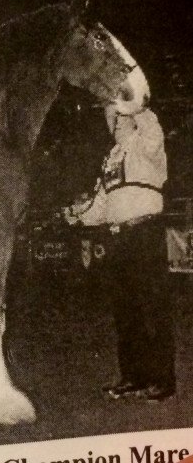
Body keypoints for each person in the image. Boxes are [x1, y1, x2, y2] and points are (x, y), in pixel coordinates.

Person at [64, 105, 174, 402]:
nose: (116, 121)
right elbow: (101, 205)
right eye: (113, 118)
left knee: (153, 308)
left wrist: (134, 104)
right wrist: (77, 216)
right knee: (126, 312)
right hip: (118, 238)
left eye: (121, 116)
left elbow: (150, 125)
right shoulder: (110, 158)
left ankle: (162, 380)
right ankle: (133, 377)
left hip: (145, 233)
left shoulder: (147, 142)